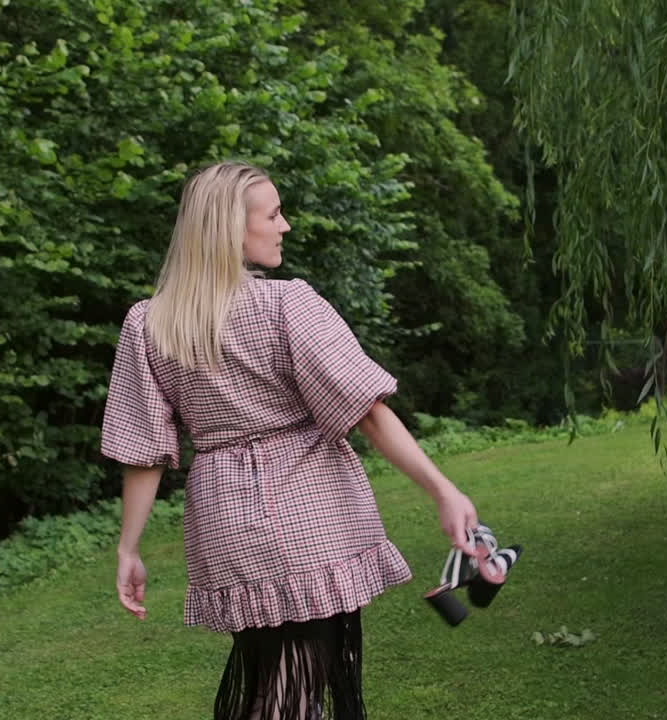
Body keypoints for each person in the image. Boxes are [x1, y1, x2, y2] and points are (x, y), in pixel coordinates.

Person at [101, 161, 500, 720]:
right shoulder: (287, 305)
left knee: (281, 677)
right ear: (230, 230)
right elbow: (367, 411)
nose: (284, 225)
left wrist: (129, 548)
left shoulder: (150, 323)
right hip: (305, 512)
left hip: (224, 521)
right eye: (273, 214)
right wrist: (443, 491)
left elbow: (141, 449)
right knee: (291, 689)